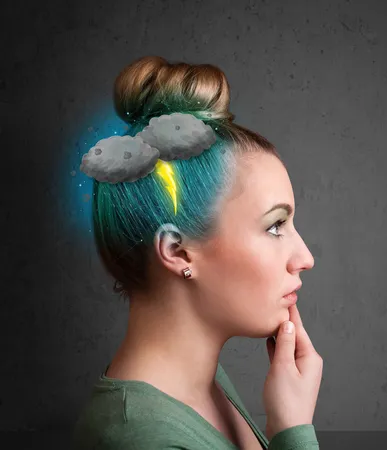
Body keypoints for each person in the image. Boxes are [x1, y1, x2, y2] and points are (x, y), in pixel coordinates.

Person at [71, 55, 323, 449]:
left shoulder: (202, 385)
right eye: (275, 226)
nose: (305, 257)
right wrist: (292, 433)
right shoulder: (142, 440)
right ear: (178, 252)